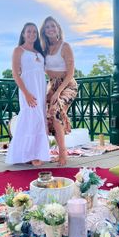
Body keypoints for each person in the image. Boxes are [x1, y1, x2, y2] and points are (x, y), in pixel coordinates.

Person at [6, 23, 50, 166]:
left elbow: (44, 71)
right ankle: (30, 155)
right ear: (23, 34)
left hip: (40, 88)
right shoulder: (18, 50)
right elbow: (15, 74)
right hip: (28, 89)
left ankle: (37, 153)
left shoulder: (39, 51)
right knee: (30, 118)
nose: (32, 34)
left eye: (34, 32)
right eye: (29, 31)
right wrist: (26, 94)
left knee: (39, 119)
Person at [40, 16, 78, 166]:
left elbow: (70, 73)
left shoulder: (65, 46)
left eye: (53, 26)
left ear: (58, 29)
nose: (50, 29)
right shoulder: (43, 50)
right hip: (52, 85)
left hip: (67, 85)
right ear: (44, 31)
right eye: (47, 27)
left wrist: (58, 92)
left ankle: (63, 154)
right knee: (44, 115)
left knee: (56, 112)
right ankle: (47, 151)